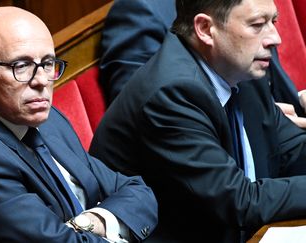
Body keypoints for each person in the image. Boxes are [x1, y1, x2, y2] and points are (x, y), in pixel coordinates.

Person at [0, 6, 158, 243]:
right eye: (20, 66)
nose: (41, 80)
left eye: (48, 63)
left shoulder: (47, 120)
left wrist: (90, 223)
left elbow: (137, 190)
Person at [90, 0, 306, 242]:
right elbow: (239, 201)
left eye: (273, 21)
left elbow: (291, 149)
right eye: (257, 25)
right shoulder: (170, 93)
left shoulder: (239, 66)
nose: (275, 38)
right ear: (204, 29)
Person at [99, 0, 306, 127]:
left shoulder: (250, 9)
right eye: (258, 25)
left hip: (286, 131)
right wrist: (265, 122)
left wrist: (298, 100)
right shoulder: (140, 10)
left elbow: (259, 81)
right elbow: (147, 115)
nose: (274, 36)